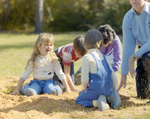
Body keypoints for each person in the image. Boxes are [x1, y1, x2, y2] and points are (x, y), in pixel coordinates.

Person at [75, 30, 121, 111]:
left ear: (85, 43)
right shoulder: (104, 57)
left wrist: (85, 89)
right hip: (107, 89)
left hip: (95, 89)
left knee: (79, 99)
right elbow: (114, 76)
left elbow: (84, 79)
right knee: (104, 92)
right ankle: (110, 96)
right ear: (100, 43)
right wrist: (114, 89)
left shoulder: (87, 57)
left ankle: (97, 102)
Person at [118, 0, 150, 99]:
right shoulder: (128, 17)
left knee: (147, 57)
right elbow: (128, 47)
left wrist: (134, 57)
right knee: (142, 95)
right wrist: (124, 73)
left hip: (145, 55)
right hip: (142, 53)